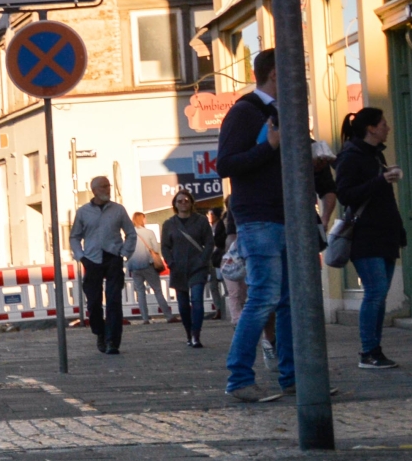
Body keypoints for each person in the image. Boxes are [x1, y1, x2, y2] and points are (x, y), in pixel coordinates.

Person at [215, 48, 337, 400]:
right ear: (274, 73)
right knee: (264, 299)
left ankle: (294, 379)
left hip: (290, 218)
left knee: (287, 302)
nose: (300, 81)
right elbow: (225, 165)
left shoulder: (285, 112)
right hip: (260, 218)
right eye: (294, 72)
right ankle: (238, 379)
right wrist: (269, 146)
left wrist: (313, 163)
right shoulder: (245, 112)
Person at [334, 106, 407, 370]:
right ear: (371, 128)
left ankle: (374, 349)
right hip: (365, 236)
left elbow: (383, 200)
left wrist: (399, 230)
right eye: (383, 123)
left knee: (380, 295)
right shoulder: (351, 156)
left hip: (384, 233)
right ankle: (368, 351)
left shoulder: (375, 155)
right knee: (374, 293)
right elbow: (345, 195)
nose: (387, 127)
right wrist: (381, 180)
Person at [68, 176, 136, 353]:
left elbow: (131, 233)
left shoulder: (118, 210)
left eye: (109, 186)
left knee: (114, 300)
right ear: (94, 190)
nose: (108, 189)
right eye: (104, 187)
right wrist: (80, 256)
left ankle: (113, 341)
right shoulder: (83, 212)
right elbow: (74, 236)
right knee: (93, 302)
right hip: (91, 259)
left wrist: (124, 252)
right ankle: (100, 332)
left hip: (112, 256)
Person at [161, 189, 214, 348]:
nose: (183, 203)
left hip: (197, 266)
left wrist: (203, 260)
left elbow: (209, 242)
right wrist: (171, 262)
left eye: (186, 200)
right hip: (178, 268)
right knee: (183, 305)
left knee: (197, 301)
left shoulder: (201, 221)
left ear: (191, 203)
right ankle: (188, 332)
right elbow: (165, 246)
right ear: (175, 205)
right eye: (180, 201)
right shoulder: (169, 224)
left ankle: (196, 335)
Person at [127, 212, 168, 321]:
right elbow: (155, 249)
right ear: (142, 219)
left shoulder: (129, 234)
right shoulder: (149, 233)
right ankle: (168, 315)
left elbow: (127, 250)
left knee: (140, 292)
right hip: (148, 265)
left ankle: (145, 318)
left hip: (135, 267)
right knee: (158, 290)